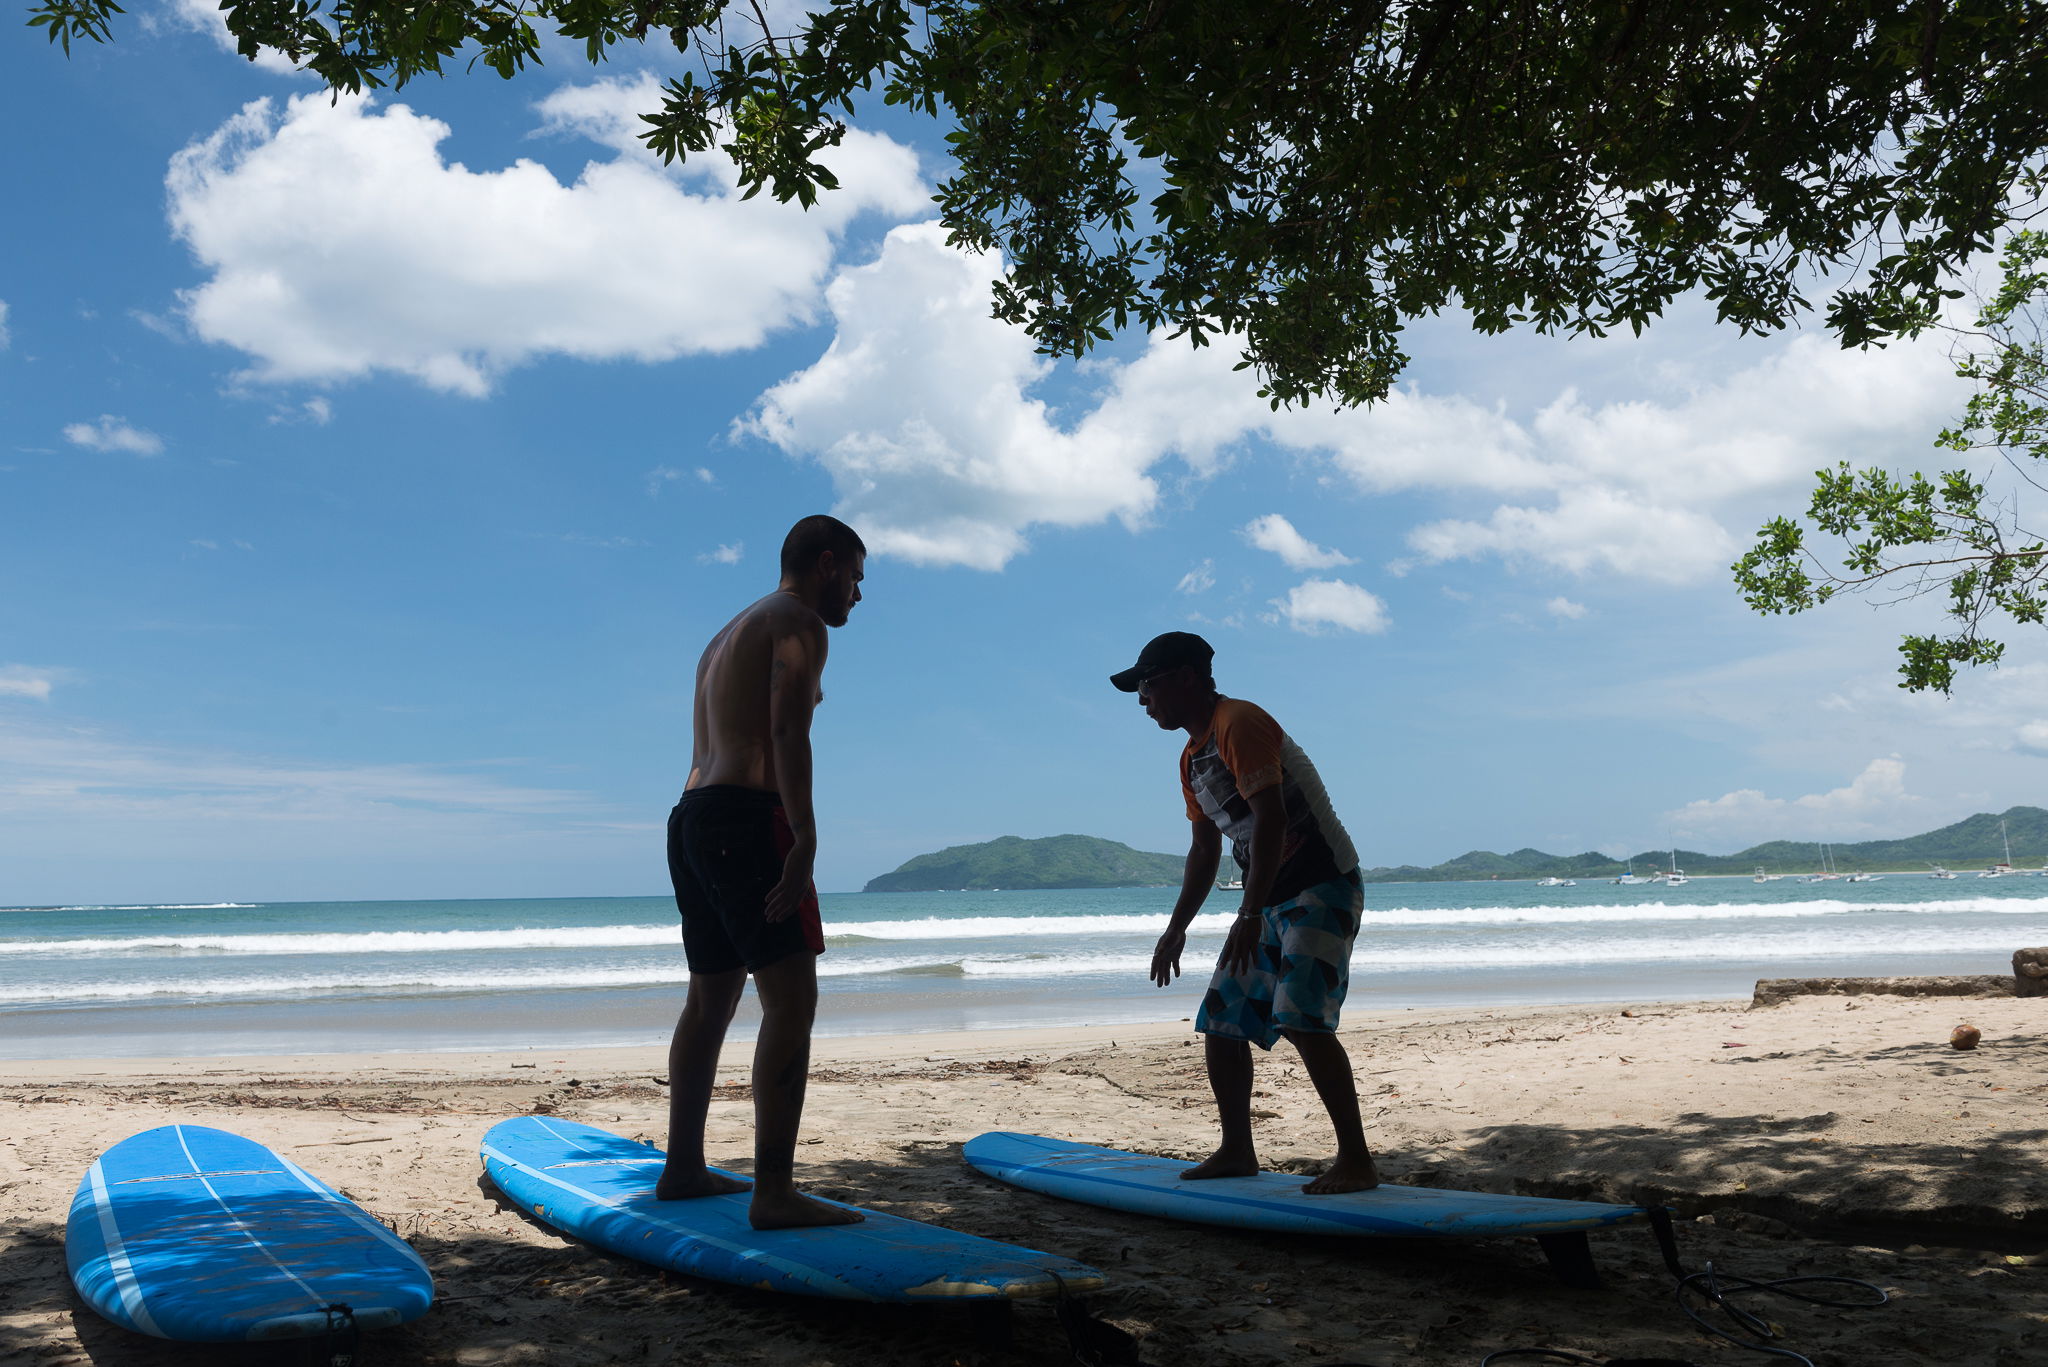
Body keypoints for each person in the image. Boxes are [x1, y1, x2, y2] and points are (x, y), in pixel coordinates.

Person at [656, 514, 866, 1229]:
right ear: (827, 563)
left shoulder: (727, 634)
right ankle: (773, 1192)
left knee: (710, 1000)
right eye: (857, 577)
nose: (858, 595)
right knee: (791, 998)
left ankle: (682, 1167)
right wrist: (804, 832)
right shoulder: (799, 620)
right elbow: (786, 729)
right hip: (746, 818)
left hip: (692, 817)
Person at [1112, 631, 1379, 1194]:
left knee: (1302, 1018)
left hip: (1321, 886)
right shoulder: (1190, 758)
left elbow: (1275, 820)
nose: (1142, 698)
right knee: (1224, 1019)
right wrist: (1175, 928)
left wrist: (1248, 913)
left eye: (1148, 683)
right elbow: (1205, 850)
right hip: (1266, 899)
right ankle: (1237, 1150)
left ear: (1187, 676)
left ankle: (1356, 1159)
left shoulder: (1240, 722)